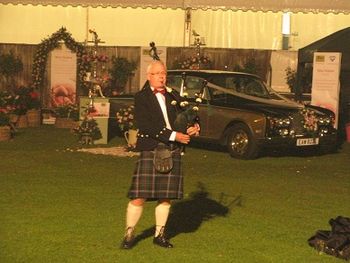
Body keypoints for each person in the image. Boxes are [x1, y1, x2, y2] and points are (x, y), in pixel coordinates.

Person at [121, 60, 200, 249]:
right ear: (149, 76)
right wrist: (175, 135)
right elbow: (146, 125)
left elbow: (190, 115)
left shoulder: (173, 95)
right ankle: (129, 234)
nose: (162, 77)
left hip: (172, 149)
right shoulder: (142, 97)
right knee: (139, 196)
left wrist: (194, 127)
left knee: (166, 196)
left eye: (163, 73)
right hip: (152, 147)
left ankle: (159, 235)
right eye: (157, 73)